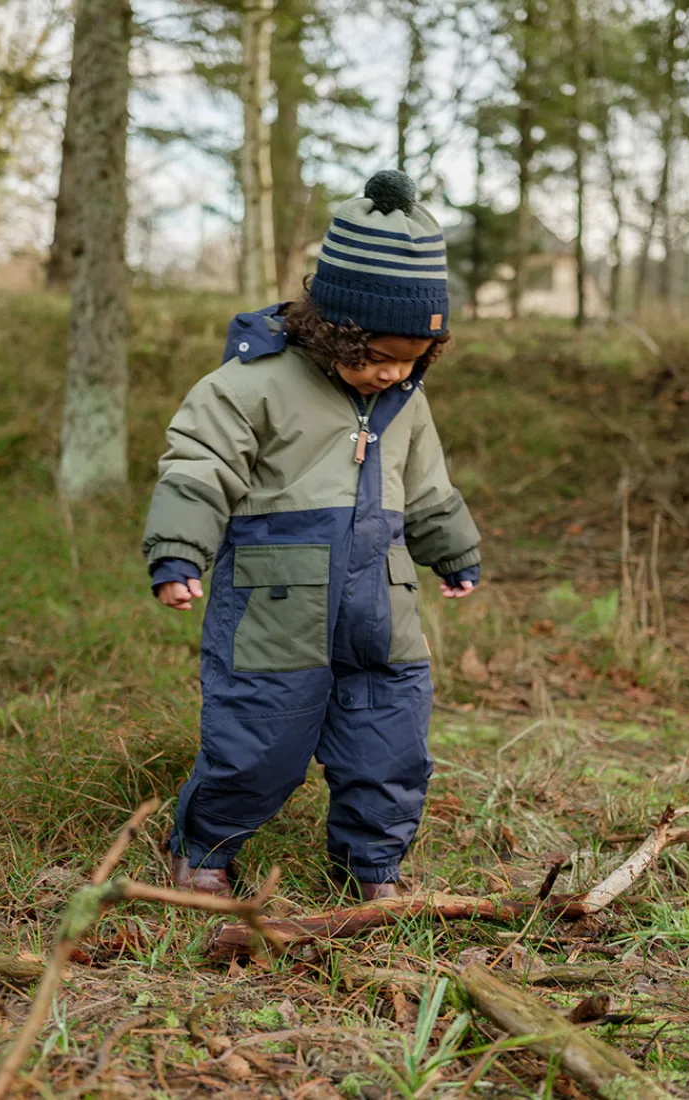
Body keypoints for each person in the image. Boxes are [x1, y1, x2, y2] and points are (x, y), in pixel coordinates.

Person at [142, 170, 481, 900]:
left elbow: (427, 483)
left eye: (410, 359)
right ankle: (204, 852)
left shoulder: (404, 400)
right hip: (275, 608)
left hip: (382, 608)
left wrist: (452, 548)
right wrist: (178, 552)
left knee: (390, 744)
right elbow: (199, 468)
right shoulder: (252, 384)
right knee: (257, 741)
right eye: (375, 356)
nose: (391, 372)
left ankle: (372, 868)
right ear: (334, 330)